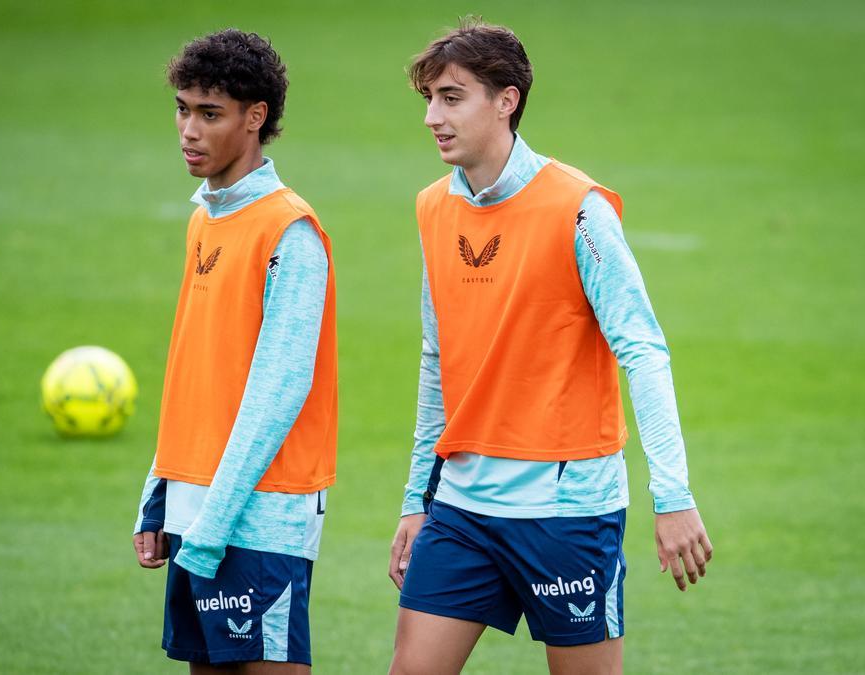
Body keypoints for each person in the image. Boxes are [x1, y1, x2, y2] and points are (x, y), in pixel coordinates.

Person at [387, 18, 712, 675]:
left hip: (566, 512)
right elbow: (436, 359)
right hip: (462, 509)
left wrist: (672, 495)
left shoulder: (580, 209)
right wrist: (416, 500)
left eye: (452, 97)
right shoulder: (432, 208)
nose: (432, 117)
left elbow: (643, 348)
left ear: (506, 100)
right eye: (428, 99)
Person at [133, 29, 337, 674]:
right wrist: (160, 493)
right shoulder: (206, 219)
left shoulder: (289, 232)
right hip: (198, 507)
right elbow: (196, 368)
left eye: (209, 114)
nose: (189, 130)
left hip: (260, 516)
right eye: (183, 108)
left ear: (256, 119)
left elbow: (281, 388)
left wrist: (215, 520)